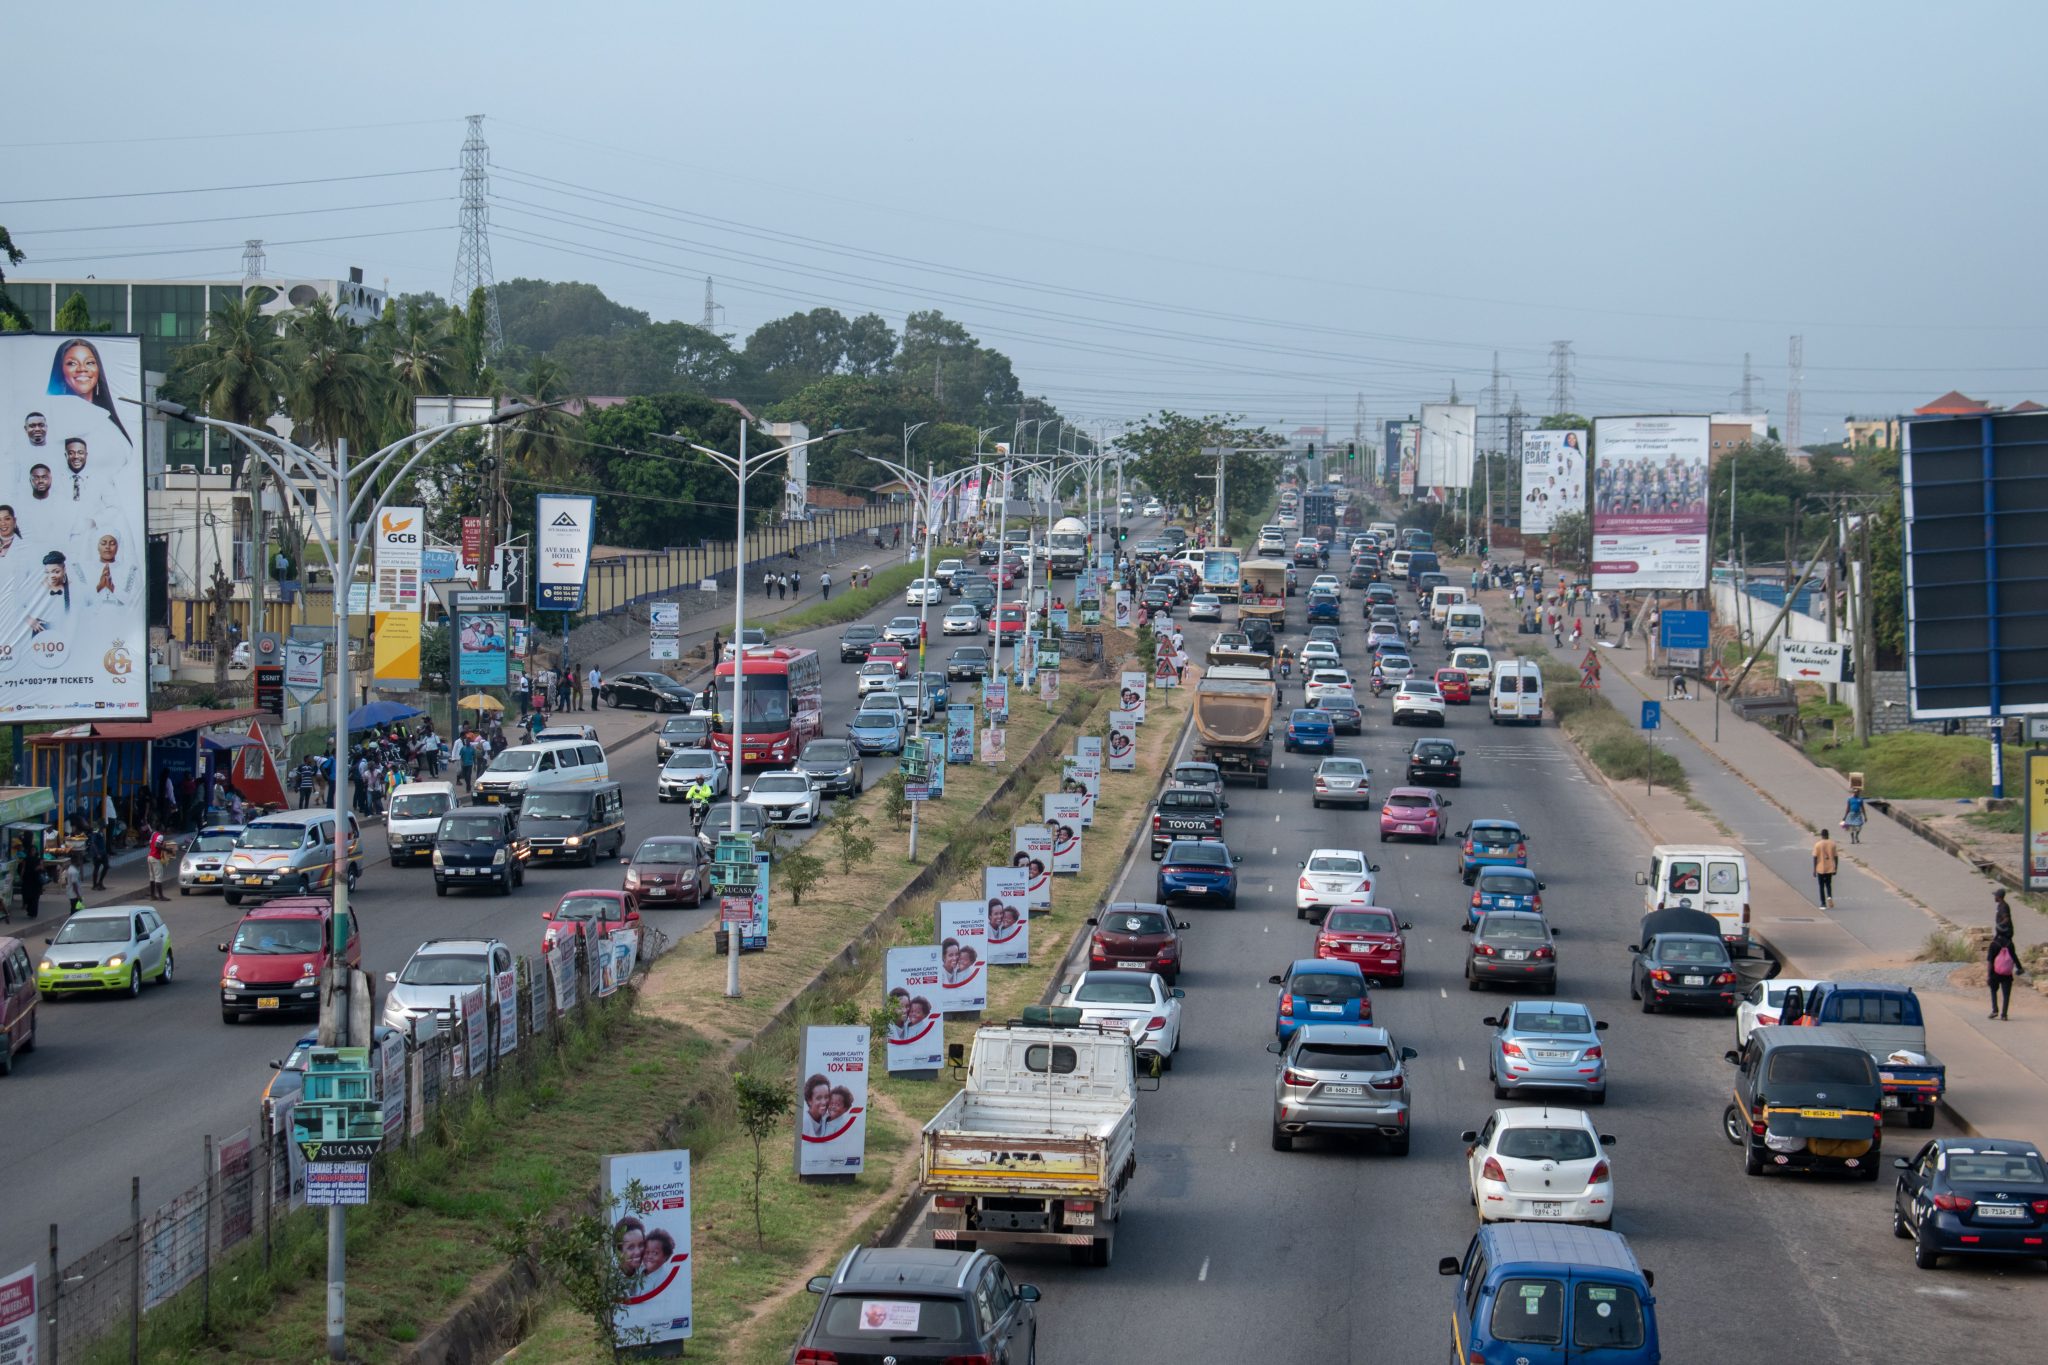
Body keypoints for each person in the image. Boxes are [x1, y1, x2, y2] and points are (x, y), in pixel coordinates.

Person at [1988, 894, 2021, 1020]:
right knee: (2006, 994)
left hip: (1995, 972)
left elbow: (1990, 960)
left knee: (1993, 990)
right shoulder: (2009, 944)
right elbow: (2014, 957)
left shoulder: (1994, 944)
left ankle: (1994, 1009)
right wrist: (2019, 967)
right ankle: (2004, 1015)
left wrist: (1989, 974)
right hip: (2007, 973)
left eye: (1995, 895)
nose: (1994, 897)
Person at [1812, 827, 1839, 909]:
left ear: (1821, 835)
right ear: (1828, 835)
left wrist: (1814, 870)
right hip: (1830, 867)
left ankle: (1823, 903)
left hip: (1820, 868)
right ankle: (1829, 897)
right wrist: (1836, 868)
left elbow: (1815, 857)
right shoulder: (1833, 844)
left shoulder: (1818, 844)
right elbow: (1836, 857)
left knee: (1821, 886)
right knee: (1828, 884)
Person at [145, 828, 169, 901]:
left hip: (150, 857)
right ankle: (161, 896)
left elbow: (151, 845)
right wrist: (167, 850)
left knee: (152, 877)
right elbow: (157, 845)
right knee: (158, 877)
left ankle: (153, 895)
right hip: (156, 858)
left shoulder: (153, 835)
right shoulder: (160, 836)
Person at [87, 821, 109, 889]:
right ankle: (94, 884)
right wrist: (97, 853)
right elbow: (93, 843)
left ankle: (100, 882)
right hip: (97, 853)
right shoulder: (95, 832)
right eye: (103, 825)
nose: (104, 827)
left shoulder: (102, 832)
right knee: (96, 868)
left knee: (106, 866)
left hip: (103, 852)